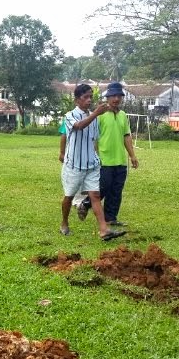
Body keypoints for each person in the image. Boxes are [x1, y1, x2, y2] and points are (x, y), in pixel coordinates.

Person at [60, 84, 125, 241]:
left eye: (91, 97)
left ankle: (104, 230)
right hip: (74, 164)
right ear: (77, 100)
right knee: (69, 197)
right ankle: (64, 223)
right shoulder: (70, 115)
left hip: (92, 164)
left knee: (95, 195)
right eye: (85, 97)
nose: (89, 100)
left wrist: (97, 157)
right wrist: (96, 113)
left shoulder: (95, 118)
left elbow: (95, 139)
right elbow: (79, 126)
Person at [79, 82, 139, 226]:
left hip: (120, 160)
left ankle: (110, 218)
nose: (116, 99)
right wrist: (94, 156)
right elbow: (93, 137)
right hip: (104, 159)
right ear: (107, 97)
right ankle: (86, 203)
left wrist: (132, 155)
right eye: (113, 96)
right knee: (103, 187)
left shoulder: (123, 115)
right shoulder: (100, 115)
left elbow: (126, 136)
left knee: (116, 191)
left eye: (119, 96)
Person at [58, 116, 89, 219]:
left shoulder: (91, 117)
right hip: (73, 157)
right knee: (72, 181)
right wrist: (62, 153)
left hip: (87, 156)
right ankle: (77, 202)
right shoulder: (70, 117)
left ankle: (83, 202)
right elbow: (64, 135)